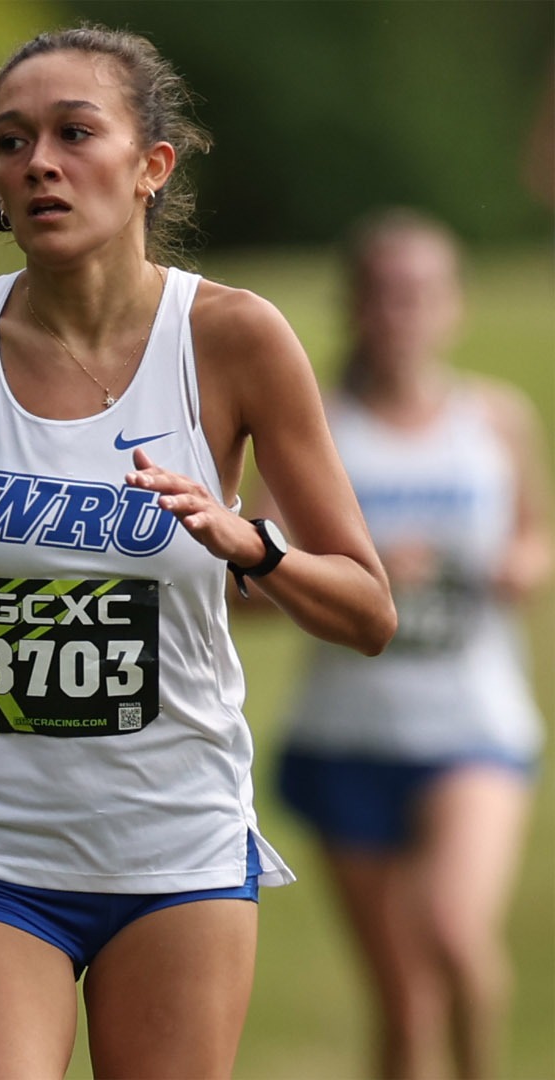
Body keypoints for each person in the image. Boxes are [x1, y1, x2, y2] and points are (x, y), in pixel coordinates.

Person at [0, 26, 397, 1078]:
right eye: (11, 140)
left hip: (175, 847)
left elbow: (368, 611)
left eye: (75, 133)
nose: (38, 161)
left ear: (149, 168)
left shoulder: (235, 337)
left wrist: (251, 545)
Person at [274, 210, 548, 1079]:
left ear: (453, 306)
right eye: (385, 296)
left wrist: (517, 565)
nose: (403, 315)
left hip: (474, 727)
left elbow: (537, 536)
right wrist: (352, 575)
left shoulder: (496, 420)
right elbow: (248, 574)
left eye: (422, 295)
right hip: (345, 739)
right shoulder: (314, 426)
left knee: (454, 935)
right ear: (354, 307)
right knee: (400, 999)